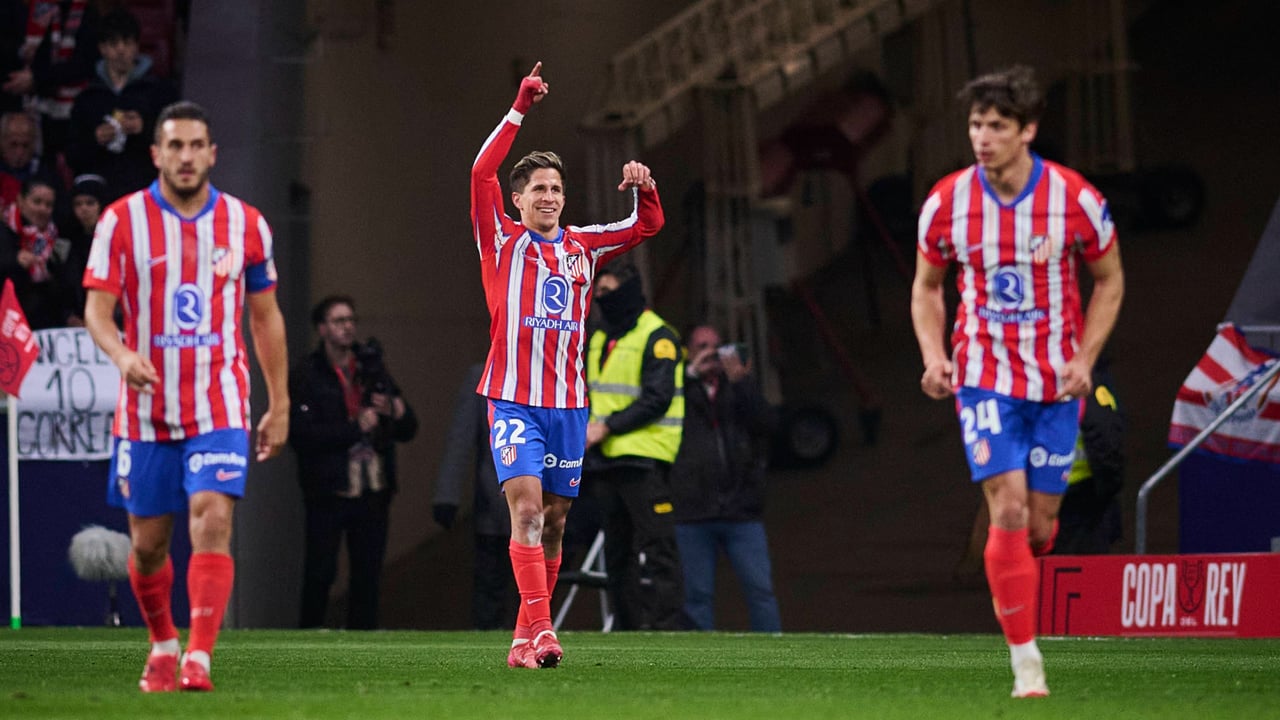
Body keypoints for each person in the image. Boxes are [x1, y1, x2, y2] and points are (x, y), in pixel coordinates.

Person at [911, 65, 1124, 698]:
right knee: (1004, 507)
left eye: (997, 126)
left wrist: (1086, 358)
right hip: (983, 377)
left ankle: (1026, 566)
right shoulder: (947, 201)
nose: (982, 136)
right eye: (976, 124)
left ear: (1027, 130)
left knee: (1035, 526)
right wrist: (933, 354)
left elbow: (1109, 279)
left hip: (1055, 384)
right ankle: (1026, 663)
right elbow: (926, 287)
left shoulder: (1075, 199)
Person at [83, 100, 290, 693]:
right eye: (174, 146)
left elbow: (266, 318)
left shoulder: (247, 224)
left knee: (212, 518)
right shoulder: (121, 222)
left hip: (218, 402)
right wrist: (123, 355)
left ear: (212, 153)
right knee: (148, 546)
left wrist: (276, 403)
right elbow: (97, 310)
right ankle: (163, 643)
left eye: (197, 145)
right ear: (156, 154)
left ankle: (198, 656)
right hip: (145, 411)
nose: (186, 156)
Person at [470, 61, 663, 669]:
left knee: (553, 522)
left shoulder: (585, 245)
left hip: (569, 407)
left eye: (556, 189)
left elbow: (649, 223)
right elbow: (481, 172)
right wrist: (520, 108)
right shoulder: (500, 239)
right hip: (513, 400)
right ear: (519, 201)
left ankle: (523, 642)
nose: (549, 197)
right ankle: (546, 632)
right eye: (538, 190)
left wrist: (646, 185)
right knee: (525, 510)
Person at [289, 295, 418, 630]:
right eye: (338, 321)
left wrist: (394, 410)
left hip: (372, 487)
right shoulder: (307, 373)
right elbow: (301, 435)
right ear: (322, 328)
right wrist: (352, 428)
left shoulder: (370, 367)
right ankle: (308, 636)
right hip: (328, 489)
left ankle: (364, 637)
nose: (347, 327)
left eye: (350, 320)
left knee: (368, 571)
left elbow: (408, 426)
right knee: (320, 571)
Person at [582, 262, 685, 631]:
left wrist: (606, 427)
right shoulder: (599, 337)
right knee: (617, 553)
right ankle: (627, 631)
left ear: (628, 291)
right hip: (606, 461)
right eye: (599, 293)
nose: (600, 300)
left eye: (608, 292)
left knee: (658, 549)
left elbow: (657, 398)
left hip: (645, 458)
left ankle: (666, 631)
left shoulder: (657, 336)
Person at [671, 324, 781, 632]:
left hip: (741, 509)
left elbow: (769, 424)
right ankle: (702, 665)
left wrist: (742, 382)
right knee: (697, 597)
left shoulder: (738, 388)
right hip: (692, 510)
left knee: (761, 591)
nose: (710, 353)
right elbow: (661, 407)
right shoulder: (679, 388)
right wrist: (689, 375)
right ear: (690, 352)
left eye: (716, 346)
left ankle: (776, 657)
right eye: (702, 346)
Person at [433, 362, 516, 630]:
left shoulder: (546, 373)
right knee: (490, 587)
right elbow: (461, 436)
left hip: (542, 505)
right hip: (495, 505)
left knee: (538, 585)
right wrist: (447, 494)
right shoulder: (482, 375)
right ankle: (489, 646)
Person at [67, 9, 177, 200]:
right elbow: (72, 155)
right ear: (102, 48)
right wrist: (95, 138)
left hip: (146, 190)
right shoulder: (87, 97)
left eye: (127, 43)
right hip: (100, 195)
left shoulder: (160, 91)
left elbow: (175, 145)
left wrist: (144, 128)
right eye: (113, 43)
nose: (121, 50)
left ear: (136, 46)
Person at [0, 176, 69, 328]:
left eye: (48, 205)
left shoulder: (56, 239)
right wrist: (14, 262)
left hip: (43, 326)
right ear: (20, 200)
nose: (42, 209)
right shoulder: (4, 231)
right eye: (36, 202)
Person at [53, 172, 106, 325]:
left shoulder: (115, 242)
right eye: (78, 204)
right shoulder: (67, 244)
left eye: (90, 203)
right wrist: (68, 316)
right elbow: (62, 288)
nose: (83, 209)